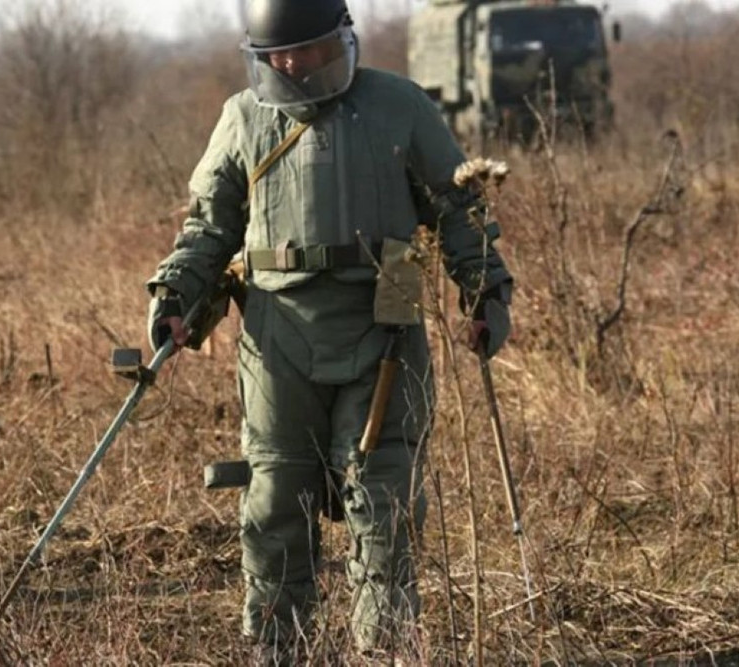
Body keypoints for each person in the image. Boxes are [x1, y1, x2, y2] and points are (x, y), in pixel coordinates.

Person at [145, 0, 513, 661]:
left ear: (339, 42)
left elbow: (458, 205)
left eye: (306, 50)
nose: (291, 64)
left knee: (382, 501)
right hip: (277, 339)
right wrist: (175, 294)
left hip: (384, 332)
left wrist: (485, 289)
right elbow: (207, 226)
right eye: (277, 55)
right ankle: (280, 648)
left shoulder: (400, 106)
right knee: (275, 500)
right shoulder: (243, 119)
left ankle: (386, 648)